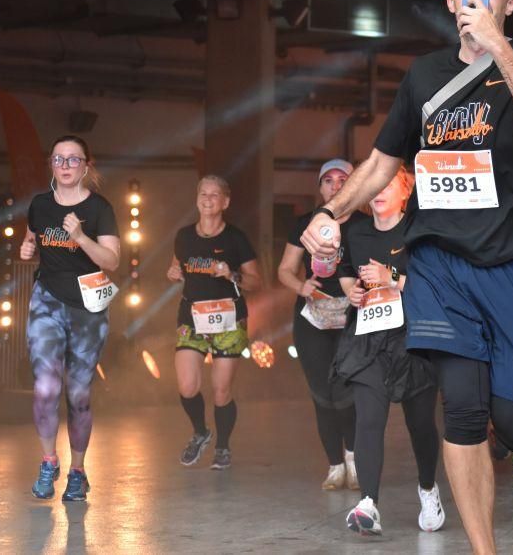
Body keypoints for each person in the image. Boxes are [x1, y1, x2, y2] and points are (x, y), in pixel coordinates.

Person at [300, 0, 513, 550]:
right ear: (450, 2)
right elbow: (382, 163)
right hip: (440, 265)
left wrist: (500, 50)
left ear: (509, 4)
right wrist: (331, 212)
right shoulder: (424, 76)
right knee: (465, 414)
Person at [334, 166, 444, 536]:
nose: (379, 191)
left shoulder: (419, 230)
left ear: (406, 190)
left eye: (388, 184)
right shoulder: (357, 232)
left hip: (414, 339)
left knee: (420, 424)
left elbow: (435, 285)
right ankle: (368, 503)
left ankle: (428, 488)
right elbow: (346, 271)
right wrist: (352, 292)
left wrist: (391, 278)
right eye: (375, 185)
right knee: (368, 419)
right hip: (368, 339)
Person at [20, 136, 119, 500]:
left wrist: (80, 237)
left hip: (87, 308)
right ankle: (49, 461)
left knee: (78, 394)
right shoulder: (40, 205)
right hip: (46, 302)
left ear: (85, 166)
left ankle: (77, 471)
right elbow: (33, 238)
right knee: (46, 388)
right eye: (58, 159)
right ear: (51, 164)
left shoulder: (99, 208)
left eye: (73, 159)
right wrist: (27, 247)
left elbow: (112, 261)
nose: (65, 165)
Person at [168, 175, 262, 470]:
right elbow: (176, 267)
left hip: (228, 318)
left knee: (221, 390)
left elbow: (256, 281)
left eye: (214, 195)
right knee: (187, 385)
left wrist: (231, 274)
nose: (207, 199)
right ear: (197, 199)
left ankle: (222, 445)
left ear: (225, 202)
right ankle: (200, 432)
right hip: (192, 315)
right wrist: (173, 273)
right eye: (203, 194)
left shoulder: (236, 238)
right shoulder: (184, 236)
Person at [277, 159, 359, 490]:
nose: (336, 186)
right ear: (320, 187)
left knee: (348, 390)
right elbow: (285, 270)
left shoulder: (366, 225)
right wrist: (301, 286)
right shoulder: (305, 224)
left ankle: (354, 460)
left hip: (352, 317)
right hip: (313, 318)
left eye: (343, 179)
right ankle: (335, 466)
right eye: (329, 180)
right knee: (322, 393)